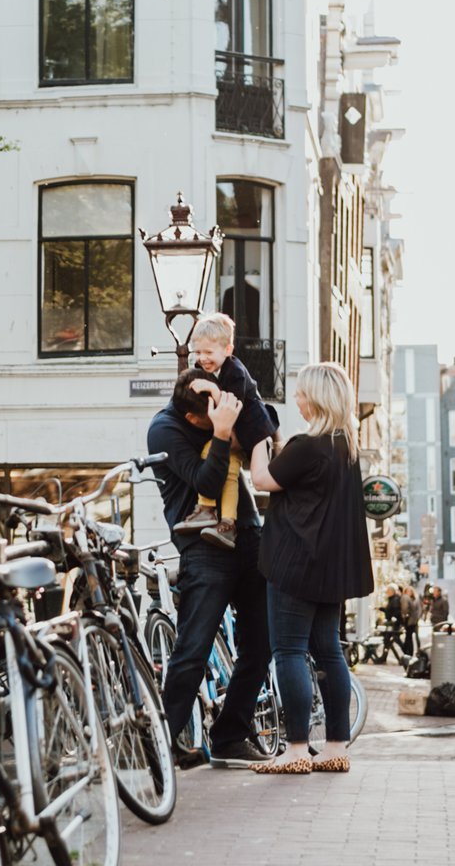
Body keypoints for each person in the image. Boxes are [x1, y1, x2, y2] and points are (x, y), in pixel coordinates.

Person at [247, 362, 372, 775]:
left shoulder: (308, 445)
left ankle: (297, 749)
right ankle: (336, 746)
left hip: (295, 564)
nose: (297, 400)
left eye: (301, 393)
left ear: (316, 398)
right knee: (329, 652)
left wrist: (258, 435)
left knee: (288, 651)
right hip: (330, 568)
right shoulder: (345, 447)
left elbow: (262, 479)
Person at [148, 367, 273, 769]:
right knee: (193, 650)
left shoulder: (219, 404)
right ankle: (162, 746)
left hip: (247, 536)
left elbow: (264, 423)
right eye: (212, 416)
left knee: (262, 643)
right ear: (192, 417)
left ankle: (229, 735)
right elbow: (207, 480)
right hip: (203, 548)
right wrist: (221, 434)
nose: (222, 416)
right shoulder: (164, 430)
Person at [171, 313, 281, 550]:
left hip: (249, 432)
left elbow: (234, 407)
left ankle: (207, 509)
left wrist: (213, 390)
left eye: (208, 352)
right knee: (230, 472)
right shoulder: (207, 367)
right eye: (198, 352)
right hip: (236, 431)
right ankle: (227, 523)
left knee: (209, 452)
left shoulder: (235, 372)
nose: (202, 358)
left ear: (228, 350)